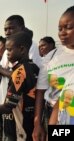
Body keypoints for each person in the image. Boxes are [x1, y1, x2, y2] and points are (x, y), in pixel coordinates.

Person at [33, 5, 74, 141]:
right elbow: (41, 90)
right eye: (60, 28)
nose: (62, 32)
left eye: (68, 27)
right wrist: (38, 124)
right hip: (53, 114)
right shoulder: (51, 56)